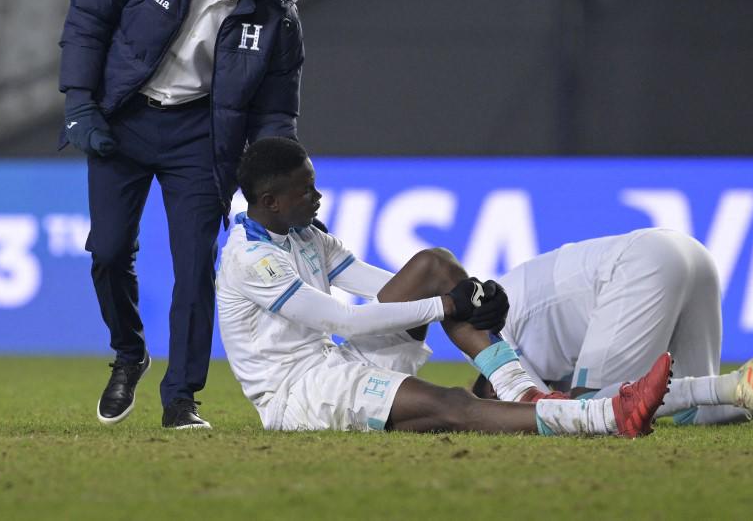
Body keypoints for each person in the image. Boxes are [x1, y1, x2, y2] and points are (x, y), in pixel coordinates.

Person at [215, 137, 673, 437]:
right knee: (453, 405)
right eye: (305, 191)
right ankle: (607, 417)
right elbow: (345, 320)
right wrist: (445, 306)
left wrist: (469, 293)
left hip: (335, 360)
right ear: (271, 202)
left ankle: (520, 389)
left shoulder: (303, 232)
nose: (317, 198)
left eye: (314, 185)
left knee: (434, 263)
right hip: (299, 397)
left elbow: (385, 285)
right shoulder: (250, 258)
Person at [58, 0, 305, 429]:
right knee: (108, 251)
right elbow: (88, 14)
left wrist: (273, 183)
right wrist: (80, 101)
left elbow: (275, 108)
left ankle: (181, 399)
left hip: (199, 138)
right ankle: (129, 354)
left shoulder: (277, 9)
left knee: (196, 268)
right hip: (123, 122)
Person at [472, 230, 753, 429]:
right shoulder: (508, 322)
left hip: (639, 267)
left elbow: (558, 408)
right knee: (696, 411)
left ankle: (738, 384)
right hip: (687, 253)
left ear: (489, 385)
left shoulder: (500, 344)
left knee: (595, 410)